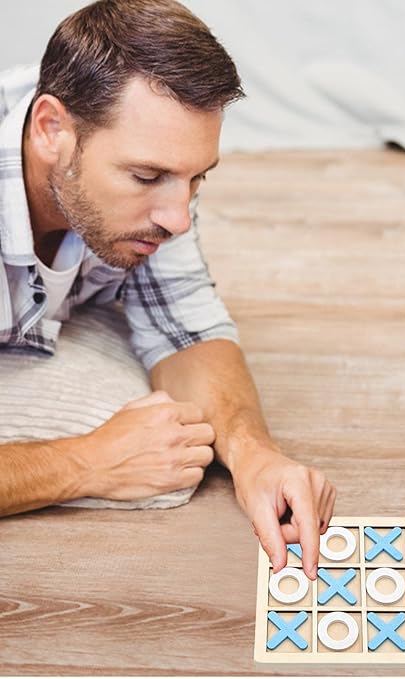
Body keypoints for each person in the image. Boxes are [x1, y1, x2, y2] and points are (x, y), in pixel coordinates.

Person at [0, 0, 335, 579]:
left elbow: (187, 325)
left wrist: (254, 454)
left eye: (196, 177)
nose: (179, 217)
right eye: (148, 177)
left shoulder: (132, 153)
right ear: (51, 129)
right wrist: (86, 462)